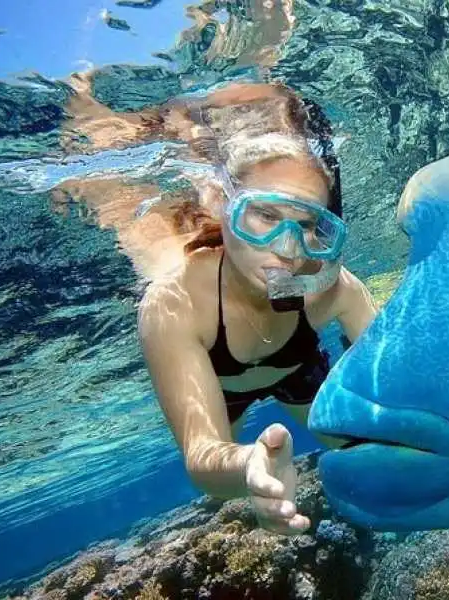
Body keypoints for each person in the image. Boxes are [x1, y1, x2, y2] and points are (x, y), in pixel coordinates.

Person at [135, 81, 378, 536]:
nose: (287, 249)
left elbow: (398, 371)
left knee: (355, 446)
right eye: (265, 216)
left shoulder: (331, 288)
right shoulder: (176, 302)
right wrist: (249, 466)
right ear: (219, 201)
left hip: (296, 368)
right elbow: (203, 458)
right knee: (221, 489)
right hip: (225, 389)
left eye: (308, 224)